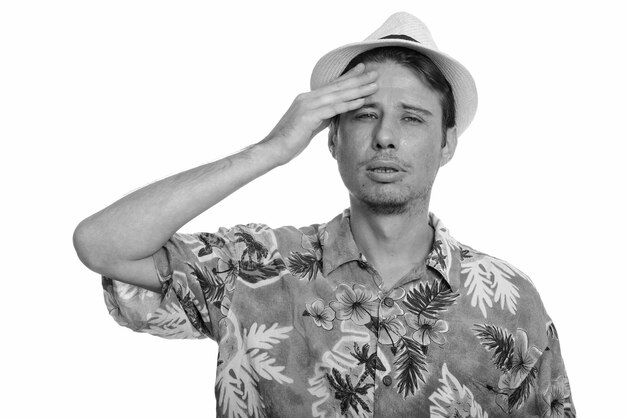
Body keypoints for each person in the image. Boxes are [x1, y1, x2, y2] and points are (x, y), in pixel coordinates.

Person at [73, 11, 576, 417]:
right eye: (363, 114)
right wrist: (269, 149)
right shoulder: (254, 267)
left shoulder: (511, 304)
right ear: (331, 137)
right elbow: (102, 244)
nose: (385, 136)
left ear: (447, 144)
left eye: (412, 117)